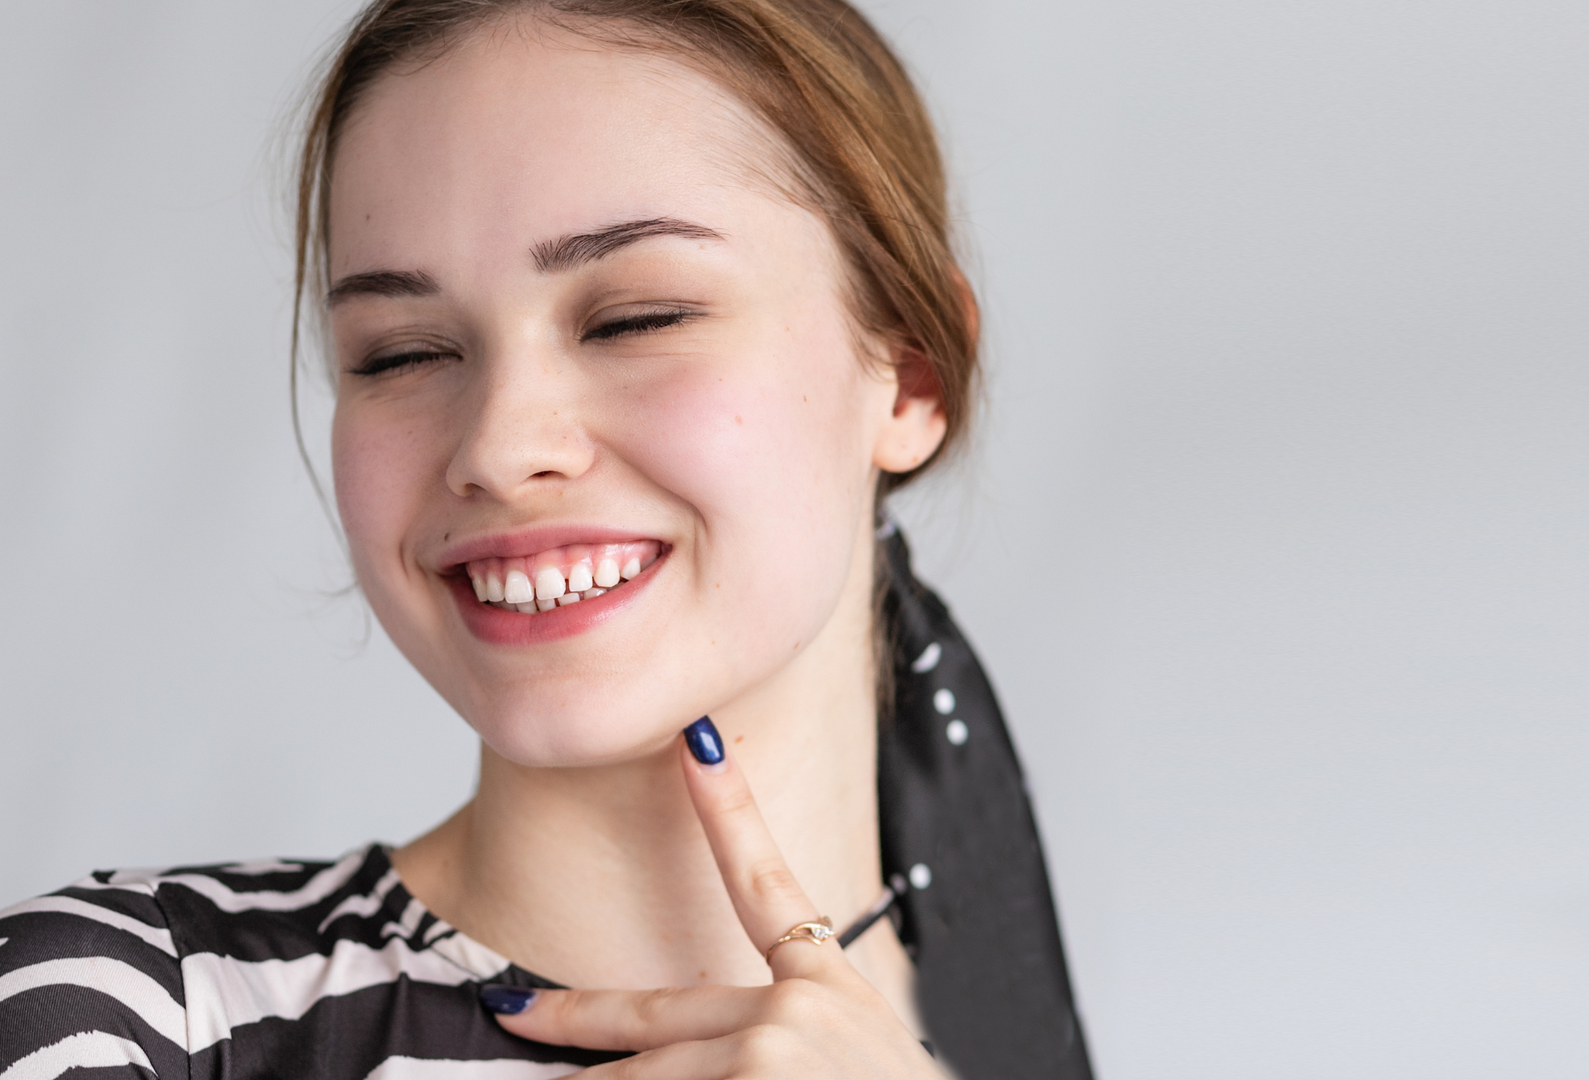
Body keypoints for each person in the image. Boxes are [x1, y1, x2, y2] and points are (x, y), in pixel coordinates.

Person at [0, 3, 1093, 1078]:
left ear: (910, 376)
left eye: (637, 319)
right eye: (401, 353)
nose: (499, 445)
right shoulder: (135, 1017)